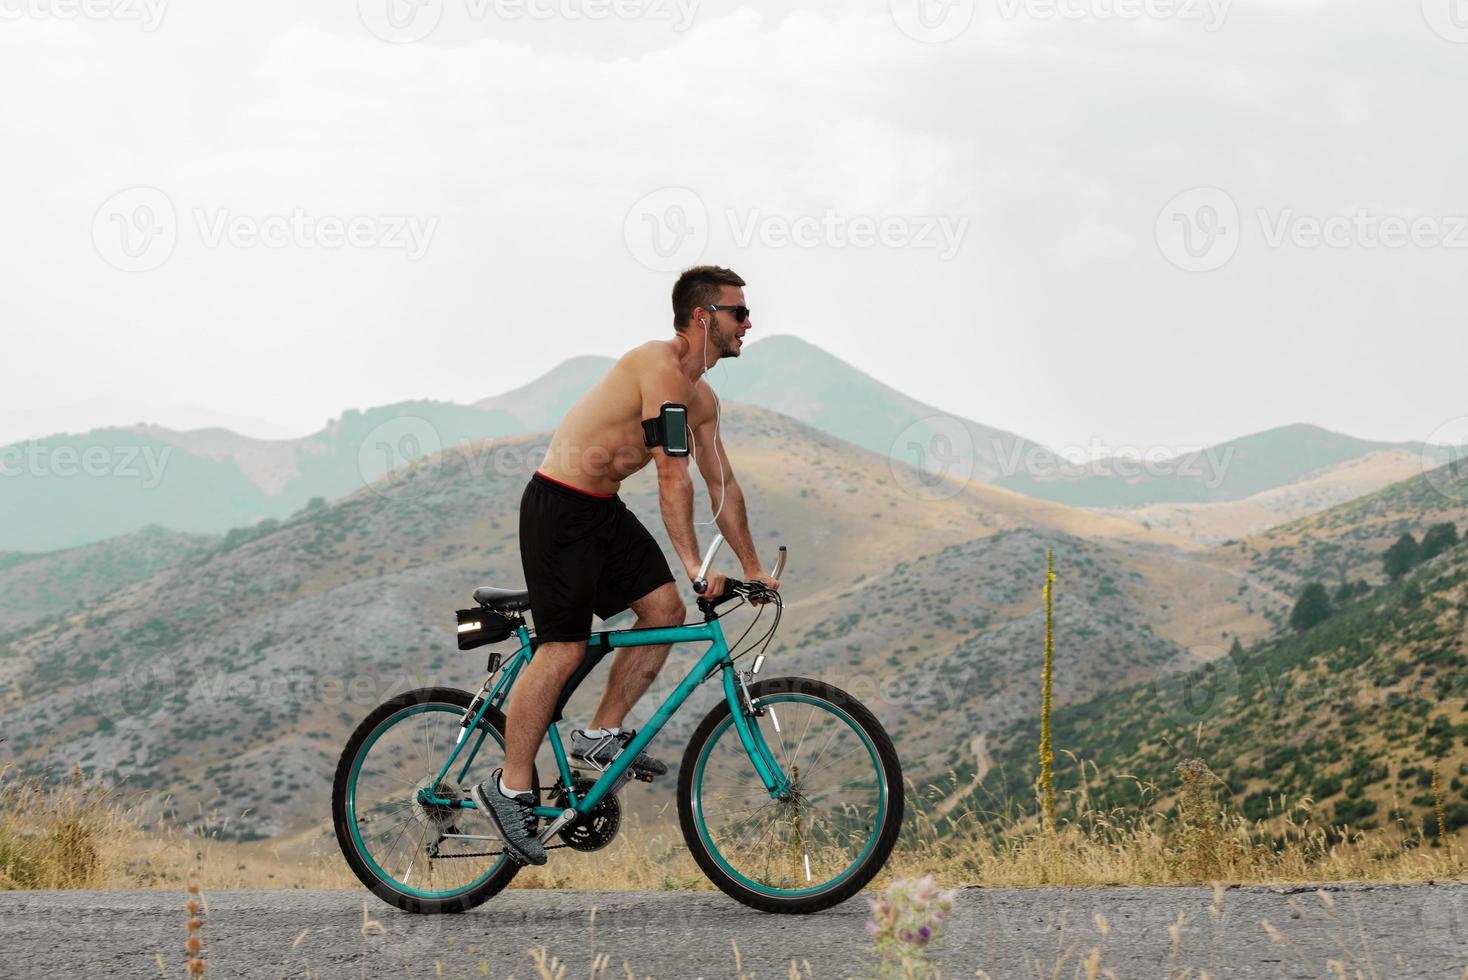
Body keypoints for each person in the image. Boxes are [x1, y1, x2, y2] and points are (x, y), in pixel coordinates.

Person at [471, 265, 781, 865]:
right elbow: (672, 474)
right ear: (702, 317)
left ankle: (599, 733)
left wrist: (754, 566)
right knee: (563, 647)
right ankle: (508, 787)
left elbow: (723, 486)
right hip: (560, 506)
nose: (748, 322)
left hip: (603, 510)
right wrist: (695, 565)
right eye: (738, 312)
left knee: (662, 610)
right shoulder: (659, 369)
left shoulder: (703, 400)